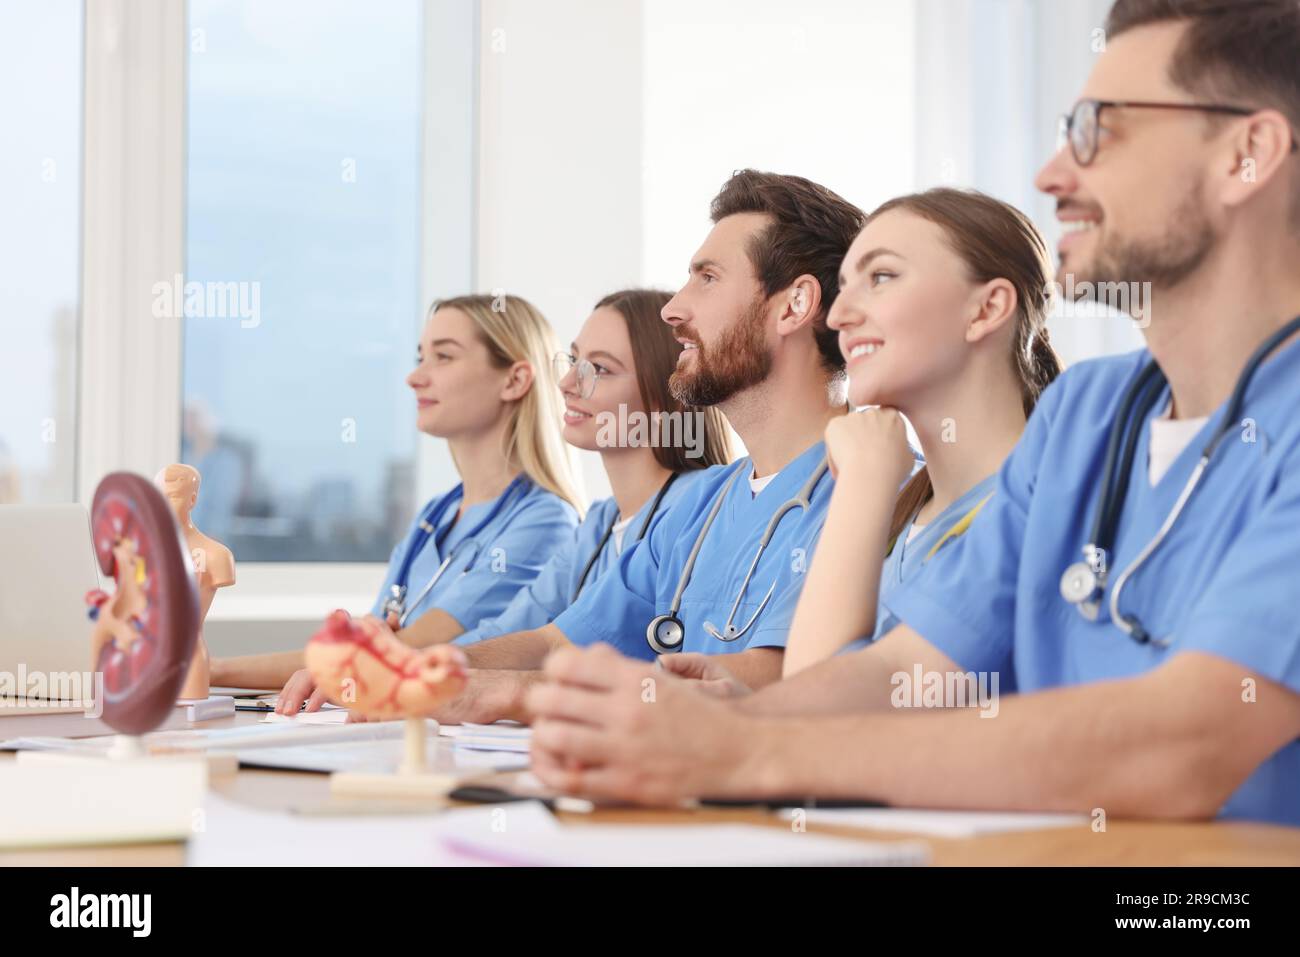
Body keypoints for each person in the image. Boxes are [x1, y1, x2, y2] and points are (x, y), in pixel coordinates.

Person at [527, 0, 1300, 825]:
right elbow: (905, 669)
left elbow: (1183, 743)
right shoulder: (1087, 413)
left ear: (1247, 154)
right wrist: (687, 728)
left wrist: (743, 752)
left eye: (1098, 130)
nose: (1051, 175)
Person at [375, 169, 865, 723]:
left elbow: (783, 678)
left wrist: (518, 694)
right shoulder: (699, 504)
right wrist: (410, 671)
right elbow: (557, 643)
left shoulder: (871, 490)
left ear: (795, 304)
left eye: (707, 278)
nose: (673, 309)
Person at [277, 289, 732, 712]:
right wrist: (402, 667)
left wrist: (405, 667)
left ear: (666, 395)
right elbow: (524, 636)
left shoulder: (699, 506)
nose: (568, 383)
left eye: (601, 369)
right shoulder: (598, 524)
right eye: (573, 361)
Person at [212, 293, 583, 694]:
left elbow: (397, 652)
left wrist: (210, 672)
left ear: (514, 380)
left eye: (444, 357)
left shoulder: (543, 521)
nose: (415, 377)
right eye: (419, 357)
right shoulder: (435, 516)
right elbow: (367, 648)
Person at [778, 188, 1060, 676]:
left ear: (987, 309)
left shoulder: (1041, 512)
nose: (838, 316)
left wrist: (864, 480)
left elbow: (814, 713)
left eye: (881, 276)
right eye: (844, 285)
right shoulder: (906, 520)